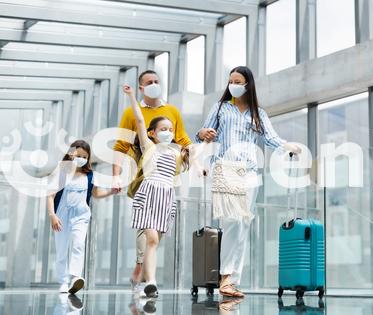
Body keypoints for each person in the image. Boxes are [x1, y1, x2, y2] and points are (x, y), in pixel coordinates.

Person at [196, 66, 300, 297]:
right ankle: (225, 277)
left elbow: (270, 137)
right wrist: (204, 133)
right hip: (224, 167)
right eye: (230, 80)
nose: (233, 84)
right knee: (232, 220)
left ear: (247, 85)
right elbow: (201, 132)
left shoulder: (258, 113)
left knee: (243, 224)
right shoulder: (221, 107)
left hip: (250, 172)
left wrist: (287, 146)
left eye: (238, 81)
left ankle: (231, 280)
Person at [111, 70, 192, 289]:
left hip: (166, 196)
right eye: (149, 82)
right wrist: (116, 176)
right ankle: (149, 280)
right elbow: (126, 138)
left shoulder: (175, 148)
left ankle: (143, 272)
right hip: (145, 185)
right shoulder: (147, 141)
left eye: (157, 81)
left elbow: (187, 144)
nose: (154, 84)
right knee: (150, 238)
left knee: (156, 240)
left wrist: (199, 159)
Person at [47, 140, 117, 295]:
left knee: (78, 244)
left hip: (81, 215)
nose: (82, 158)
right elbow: (50, 196)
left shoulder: (90, 175)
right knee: (62, 249)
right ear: (72, 153)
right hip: (61, 216)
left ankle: (75, 278)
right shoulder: (62, 172)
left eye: (85, 156)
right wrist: (52, 215)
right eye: (79, 155)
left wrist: (111, 192)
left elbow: (96, 194)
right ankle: (63, 282)